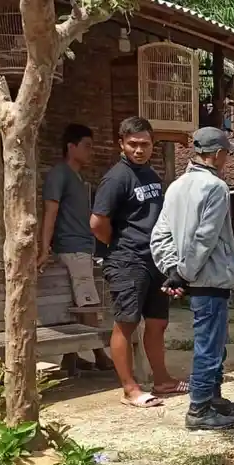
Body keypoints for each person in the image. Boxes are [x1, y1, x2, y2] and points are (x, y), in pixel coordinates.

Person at [150, 127, 234, 430]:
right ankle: (200, 408)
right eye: (226, 154)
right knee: (210, 346)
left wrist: (173, 271)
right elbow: (205, 237)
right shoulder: (216, 187)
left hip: (190, 275)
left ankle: (213, 398)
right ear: (218, 154)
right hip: (210, 277)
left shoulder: (176, 186)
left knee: (213, 341)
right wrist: (183, 273)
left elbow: (160, 234)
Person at [91, 116, 185, 408]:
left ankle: (163, 380)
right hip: (127, 261)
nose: (139, 149)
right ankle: (130, 389)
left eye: (145, 144)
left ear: (153, 144)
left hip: (155, 259)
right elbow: (97, 223)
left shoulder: (151, 174)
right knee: (126, 323)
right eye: (133, 144)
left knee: (157, 322)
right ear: (121, 144)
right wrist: (119, 245)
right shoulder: (116, 178)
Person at [39, 123, 114, 375]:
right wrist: (44, 248)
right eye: (87, 146)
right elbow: (50, 212)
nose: (91, 151)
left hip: (82, 246)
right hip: (72, 248)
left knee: (76, 303)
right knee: (88, 303)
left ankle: (71, 358)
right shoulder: (59, 174)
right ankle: (100, 353)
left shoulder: (78, 178)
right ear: (71, 147)